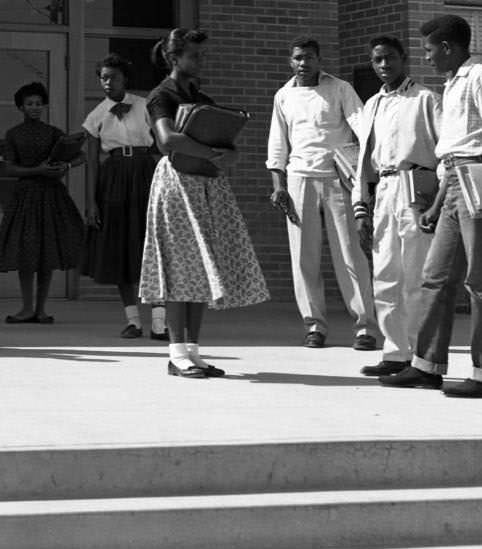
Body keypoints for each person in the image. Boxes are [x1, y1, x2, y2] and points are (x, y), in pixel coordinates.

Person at [380, 14, 482, 399]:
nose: (426, 58)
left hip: (480, 183)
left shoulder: (478, 76)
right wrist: (438, 203)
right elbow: (451, 153)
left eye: (429, 50)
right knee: (435, 277)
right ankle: (426, 366)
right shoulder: (450, 84)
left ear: (448, 47)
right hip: (453, 184)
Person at [140, 30, 269, 377]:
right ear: (173, 58)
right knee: (181, 265)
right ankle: (176, 352)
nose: (201, 61)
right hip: (177, 185)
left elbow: (223, 140)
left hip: (205, 184)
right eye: (194, 55)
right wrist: (213, 152)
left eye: (202, 55)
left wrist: (230, 153)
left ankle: (192, 350)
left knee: (201, 264)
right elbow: (167, 140)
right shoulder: (160, 96)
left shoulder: (201, 98)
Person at [266, 37, 377, 350]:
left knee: (350, 254)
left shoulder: (339, 88)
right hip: (299, 179)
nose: (304, 63)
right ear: (291, 61)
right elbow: (278, 143)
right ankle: (314, 326)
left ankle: (365, 327)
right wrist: (279, 186)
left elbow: (363, 128)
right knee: (304, 257)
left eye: (310, 57)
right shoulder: (284, 96)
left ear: (319, 60)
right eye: (299, 58)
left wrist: (363, 172)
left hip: (338, 179)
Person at [352, 35, 442, 378]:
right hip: (384, 189)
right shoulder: (372, 104)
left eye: (390, 58)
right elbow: (363, 160)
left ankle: (422, 357)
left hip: (415, 186)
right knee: (385, 274)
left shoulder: (426, 99)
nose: (384, 65)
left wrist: (435, 200)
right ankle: (395, 353)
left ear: (404, 59)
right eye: (377, 60)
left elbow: (443, 152)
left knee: (416, 275)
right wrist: (362, 205)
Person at [0, 81, 85, 325]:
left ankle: (41, 309)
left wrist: (64, 165)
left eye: (38, 104)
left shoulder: (54, 132)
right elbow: (10, 168)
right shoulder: (13, 134)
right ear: (20, 107)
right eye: (29, 104)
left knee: (47, 253)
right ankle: (26, 307)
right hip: (26, 195)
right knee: (26, 253)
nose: (34, 108)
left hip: (52, 195)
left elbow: (79, 155)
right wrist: (37, 169)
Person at [80, 54, 156, 338]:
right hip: (114, 178)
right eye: (103, 77)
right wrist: (91, 203)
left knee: (151, 243)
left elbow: (160, 143)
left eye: (113, 77)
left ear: (126, 79)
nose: (108, 83)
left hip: (145, 171)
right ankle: (133, 320)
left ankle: (159, 321)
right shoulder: (96, 115)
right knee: (121, 245)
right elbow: (90, 163)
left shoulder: (145, 105)